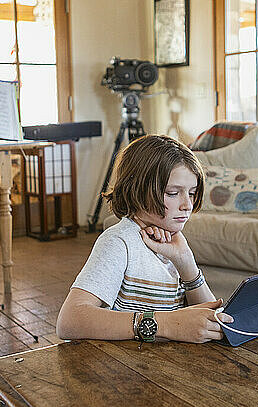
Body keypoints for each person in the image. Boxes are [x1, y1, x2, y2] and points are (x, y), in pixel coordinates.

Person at [56, 134, 233, 343]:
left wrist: (186, 263)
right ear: (138, 189)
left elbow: (213, 324)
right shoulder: (119, 242)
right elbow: (69, 321)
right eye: (173, 193)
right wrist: (166, 324)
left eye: (192, 193)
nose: (187, 205)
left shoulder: (172, 241)